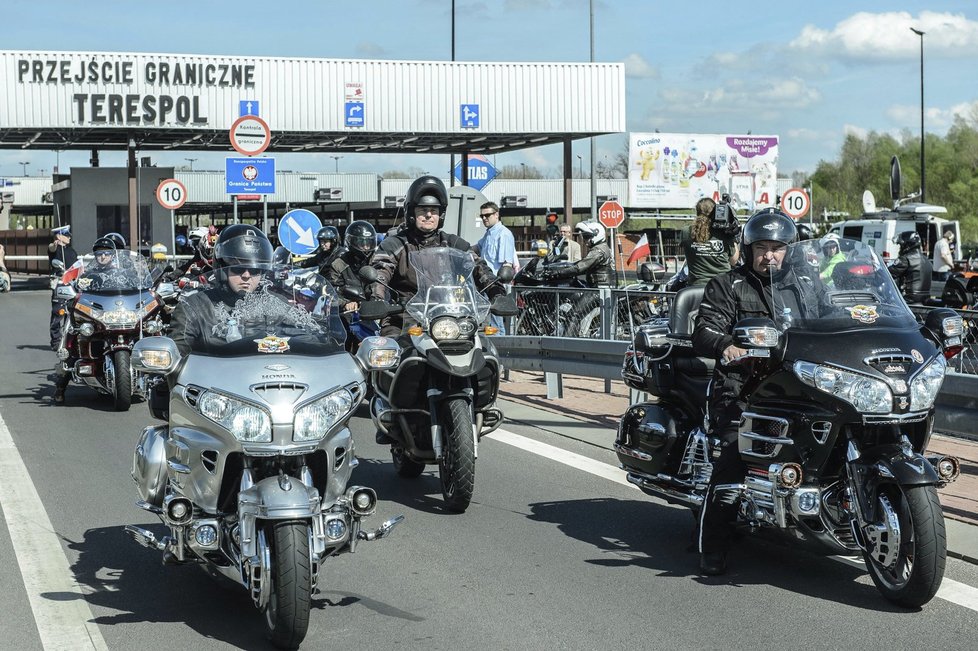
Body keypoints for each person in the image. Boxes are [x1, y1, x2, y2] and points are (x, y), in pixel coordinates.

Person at [692, 209, 827, 576]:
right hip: (743, 389)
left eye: (778, 248)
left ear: (790, 249)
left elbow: (831, 320)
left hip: (798, 387)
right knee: (734, 456)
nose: (770, 255)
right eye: (763, 248)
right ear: (749, 249)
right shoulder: (727, 285)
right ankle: (713, 548)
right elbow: (703, 330)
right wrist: (726, 346)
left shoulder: (807, 284)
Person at [370, 174, 511, 338]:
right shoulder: (394, 244)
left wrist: (496, 292)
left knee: (485, 353)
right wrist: (376, 299)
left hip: (450, 319)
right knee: (390, 352)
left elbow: (478, 267)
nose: (429, 215)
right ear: (411, 212)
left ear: (441, 215)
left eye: (434, 210)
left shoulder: (452, 243)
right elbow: (380, 273)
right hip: (404, 318)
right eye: (423, 210)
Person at [169, 224, 274, 356]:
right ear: (222, 268)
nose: (247, 275)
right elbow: (176, 357)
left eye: (254, 270)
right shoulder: (193, 309)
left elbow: (304, 341)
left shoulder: (275, 305)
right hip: (213, 376)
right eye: (238, 268)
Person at [326, 220, 379, 349]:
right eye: (362, 243)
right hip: (349, 314)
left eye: (369, 243)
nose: (366, 247)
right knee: (341, 339)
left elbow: (383, 286)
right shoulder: (339, 264)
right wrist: (345, 303)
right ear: (352, 242)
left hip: (376, 312)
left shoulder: (378, 262)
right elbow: (332, 293)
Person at [477, 201, 519, 334]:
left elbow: (507, 264)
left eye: (487, 215)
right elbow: (477, 248)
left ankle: (501, 348)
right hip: (485, 282)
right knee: (488, 322)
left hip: (496, 284)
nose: (484, 218)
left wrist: (499, 283)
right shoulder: (488, 233)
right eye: (482, 216)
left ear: (496, 215)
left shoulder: (504, 234)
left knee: (496, 321)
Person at [681, 198, 740, 287]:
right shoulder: (724, 233)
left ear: (697, 212)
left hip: (695, 285)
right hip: (722, 286)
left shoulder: (686, 232)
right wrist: (733, 237)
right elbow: (734, 261)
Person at [541, 221, 614, 287]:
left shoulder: (598, 250)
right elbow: (582, 263)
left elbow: (580, 267)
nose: (585, 239)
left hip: (599, 289)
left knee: (578, 302)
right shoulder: (601, 247)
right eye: (584, 237)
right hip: (597, 285)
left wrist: (557, 273)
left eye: (586, 236)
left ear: (596, 235)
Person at [48, 226, 79, 350]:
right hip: (59, 283)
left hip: (71, 283)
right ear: (59, 236)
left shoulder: (72, 251)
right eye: (66, 235)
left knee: (71, 312)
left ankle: (70, 341)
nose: (69, 237)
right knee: (58, 312)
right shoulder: (55, 249)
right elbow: (51, 248)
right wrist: (54, 244)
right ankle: (56, 341)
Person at [888, 230, 932, 304]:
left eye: (901, 245)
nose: (900, 248)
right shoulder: (926, 260)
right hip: (924, 299)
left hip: (908, 299)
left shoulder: (905, 259)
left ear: (907, 245)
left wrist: (876, 273)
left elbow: (889, 273)